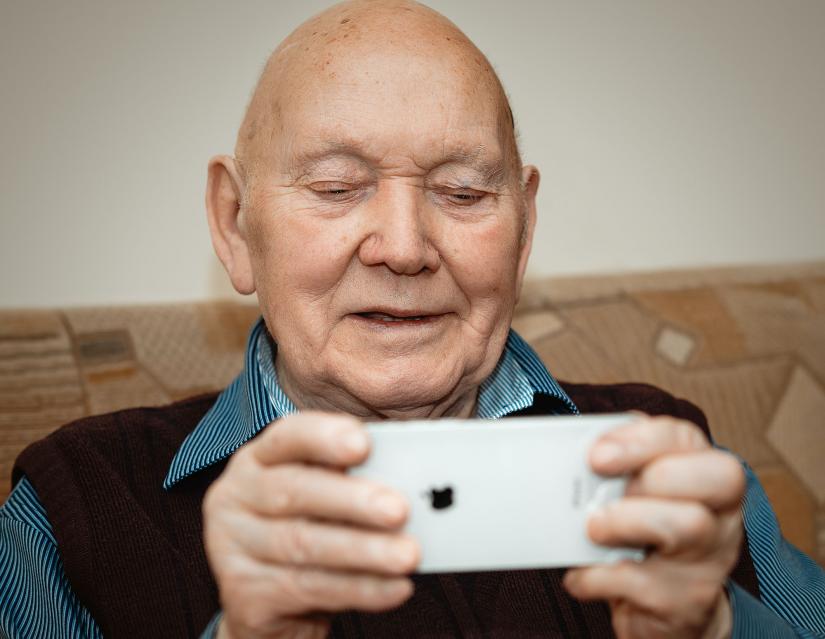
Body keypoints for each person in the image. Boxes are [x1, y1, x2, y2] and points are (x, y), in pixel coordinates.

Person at [1, 1, 823, 638]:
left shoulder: (670, 460)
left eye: (462, 193)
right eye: (335, 187)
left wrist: (714, 626)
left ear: (523, 227)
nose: (403, 247)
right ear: (232, 222)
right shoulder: (70, 507)